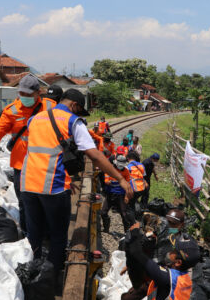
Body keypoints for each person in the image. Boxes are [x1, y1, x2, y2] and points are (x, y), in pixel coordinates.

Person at [20, 89, 133, 281]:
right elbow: (95, 155)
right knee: (57, 236)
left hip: (27, 183)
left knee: (34, 234)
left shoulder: (35, 119)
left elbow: (44, 152)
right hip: (52, 187)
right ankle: (50, 279)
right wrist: (121, 179)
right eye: (78, 111)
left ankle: (31, 275)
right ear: (74, 106)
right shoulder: (72, 121)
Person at [0, 75, 56, 234]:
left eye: (29, 95)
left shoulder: (50, 107)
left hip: (45, 165)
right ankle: (28, 235)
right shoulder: (12, 111)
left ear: (39, 93)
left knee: (45, 201)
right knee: (24, 202)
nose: (25, 98)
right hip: (21, 166)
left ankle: (46, 234)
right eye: (22, 94)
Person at [102, 209, 187, 300]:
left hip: (165, 279)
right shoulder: (162, 232)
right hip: (150, 274)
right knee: (127, 299)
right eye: (168, 221)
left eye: (172, 224)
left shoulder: (181, 243)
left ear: (181, 225)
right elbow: (149, 252)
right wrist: (130, 265)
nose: (168, 225)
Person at [101, 154, 135, 233]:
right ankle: (106, 228)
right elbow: (106, 178)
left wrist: (126, 196)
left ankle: (127, 232)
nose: (120, 167)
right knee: (103, 212)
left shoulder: (126, 171)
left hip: (121, 195)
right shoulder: (110, 169)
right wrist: (107, 182)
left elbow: (128, 185)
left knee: (124, 214)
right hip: (110, 194)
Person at [126, 151, 147, 219]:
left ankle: (133, 221)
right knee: (135, 200)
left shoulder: (128, 166)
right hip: (142, 188)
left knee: (130, 205)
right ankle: (139, 215)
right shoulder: (141, 165)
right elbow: (144, 176)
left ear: (128, 158)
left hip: (133, 188)